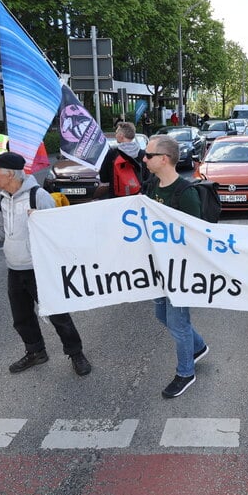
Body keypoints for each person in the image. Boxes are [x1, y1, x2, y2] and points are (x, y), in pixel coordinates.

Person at [0, 152, 92, 377]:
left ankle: (76, 354)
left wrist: (42, 220)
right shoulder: (2, 197)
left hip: (39, 269)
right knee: (22, 317)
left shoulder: (40, 196)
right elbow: (1, 233)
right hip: (14, 269)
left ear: (9, 175)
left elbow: (58, 233)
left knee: (58, 315)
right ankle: (35, 351)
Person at [142, 135, 209, 398]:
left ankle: (185, 373)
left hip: (178, 271)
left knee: (178, 323)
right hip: (156, 267)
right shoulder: (151, 187)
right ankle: (199, 346)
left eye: (148, 155)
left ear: (164, 158)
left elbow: (196, 236)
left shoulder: (186, 193)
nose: (144, 159)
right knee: (162, 316)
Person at [97, 121, 147, 198]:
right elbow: (147, 177)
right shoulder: (142, 154)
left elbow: (104, 178)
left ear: (121, 136)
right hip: (137, 197)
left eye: (116, 133)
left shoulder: (112, 154)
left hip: (117, 198)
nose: (115, 135)